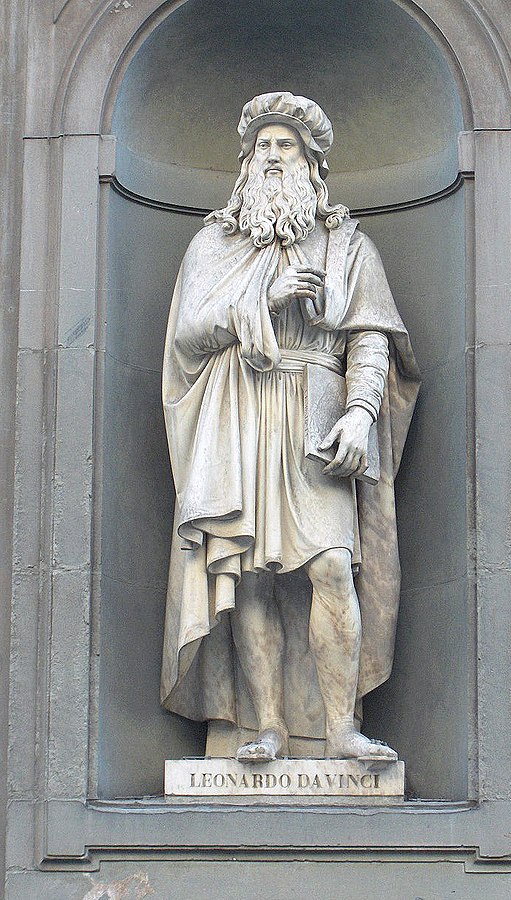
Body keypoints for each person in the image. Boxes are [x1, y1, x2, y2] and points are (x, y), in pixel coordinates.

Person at [161, 92, 420, 762]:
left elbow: (370, 338)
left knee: (332, 566)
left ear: (312, 164)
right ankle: (267, 725)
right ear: (247, 164)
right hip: (240, 412)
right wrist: (260, 300)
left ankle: (340, 728)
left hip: (317, 413)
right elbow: (188, 333)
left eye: (287, 146)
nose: (273, 158)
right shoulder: (213, 245)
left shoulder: (347, 245)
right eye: (262, 147)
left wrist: (361, 414)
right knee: (250, 573)